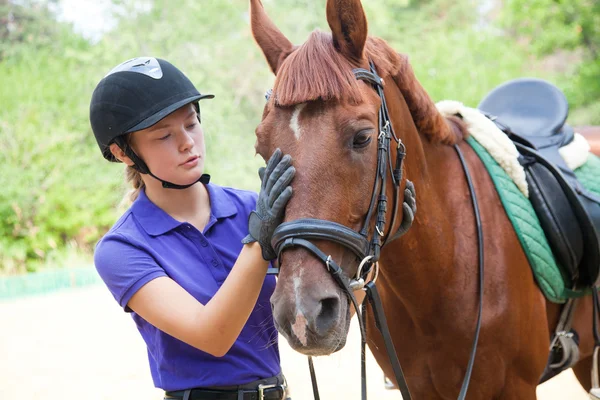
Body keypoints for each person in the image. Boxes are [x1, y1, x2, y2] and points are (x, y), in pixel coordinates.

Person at [89, 56, 295, 400]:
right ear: (123, 152)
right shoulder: (122, 249)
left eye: (191, 123)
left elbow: (323, 316)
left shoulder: (251, 208)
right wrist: (259, 241)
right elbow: (213, 336)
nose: (187, 142)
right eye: (163, 136)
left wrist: (373, 247)